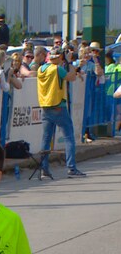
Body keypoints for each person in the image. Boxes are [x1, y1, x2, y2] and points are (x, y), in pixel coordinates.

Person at [36, 46, 86, 178]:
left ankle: (44, 169)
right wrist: (70, 63)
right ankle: (71, 168)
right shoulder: (57, 69)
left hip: (45, 106)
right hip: (58, 105)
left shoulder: (41, 69)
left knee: (46, 138)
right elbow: (72, 77)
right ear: (58, 57)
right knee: (69, 137)